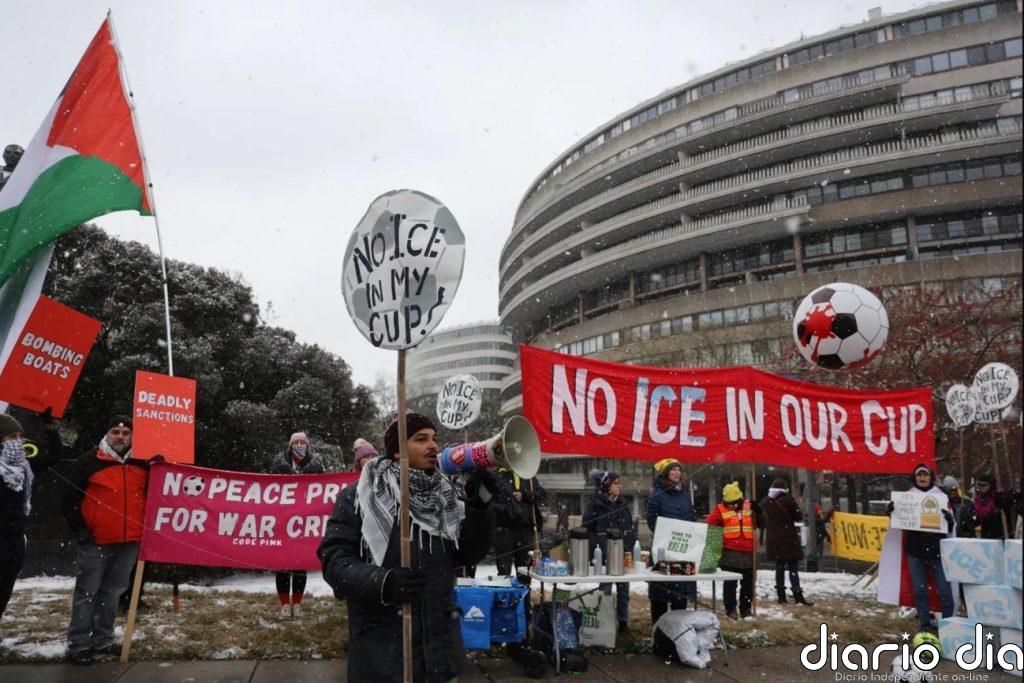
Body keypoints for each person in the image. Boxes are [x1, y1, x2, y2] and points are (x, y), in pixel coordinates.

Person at [318, 412, 496, 682]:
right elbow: (334, 563)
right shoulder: (360, 496)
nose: (433, 446)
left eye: (434, 439)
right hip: (384, 656)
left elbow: (469, 554)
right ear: (398, 451)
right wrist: (383, 583)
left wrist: (480, 508)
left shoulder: (447, 496)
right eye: (421, 439)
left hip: (440, 653)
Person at [62, 416, 150, 665]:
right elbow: (68, 499)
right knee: (87, 592)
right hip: (96, 541)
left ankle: (103, 638)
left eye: (125, 432)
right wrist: (80, 530)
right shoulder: (88, 462)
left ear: (132, 436)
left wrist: (161, 466)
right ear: (107, 434)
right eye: (115, 432)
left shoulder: (143, 463)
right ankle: (78, 643)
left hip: (130, 540)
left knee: (113, 591)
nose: (120, 437)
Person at [0, 411, 64, 621]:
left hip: (14, 539)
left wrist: (49, 428)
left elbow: (54, 455)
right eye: (11, 438)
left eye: (19, 437)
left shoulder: (23, 467)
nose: (17, 442)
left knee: (4, 591)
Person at [885, 464, 955, 633]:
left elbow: (952, 526)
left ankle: (948, 626)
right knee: (920, 590)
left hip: (937, 550)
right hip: (914, 551)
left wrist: (949, 519)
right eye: (919, 475)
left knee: (944, 590)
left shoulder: (941, 497)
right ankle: (924, 626)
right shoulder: (907, 497)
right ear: (915, 478)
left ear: (930, 477)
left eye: (925, 475)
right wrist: (891, 512)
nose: (922, 478)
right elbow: (898, 521)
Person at [271, 432, 325, 618]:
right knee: (282, 564)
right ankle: (285, 605)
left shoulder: (316, 465)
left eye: (303, 442)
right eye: (296, 442)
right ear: (290, 445)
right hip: (283, 520)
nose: (300, 445)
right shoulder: (279, 464)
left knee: (300, 564)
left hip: (305, 522)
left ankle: (298, 604)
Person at [583, 471, 636, 634]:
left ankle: (623, 622)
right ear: (606, 486)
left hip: (622, 554)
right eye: (616, 483)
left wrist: (630, 544)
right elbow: (587, 529)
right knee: (605, 589)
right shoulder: (595, 505)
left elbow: (628, 527)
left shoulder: (622, 503)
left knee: (623, 589)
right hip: (603, 555)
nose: (620, 486)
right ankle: (603, 622)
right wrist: (597, 547)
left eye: (620, 483)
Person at [646, 459, 696, 624]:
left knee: (679, 597)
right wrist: (669, 534)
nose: (677, 473)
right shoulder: (656, 496)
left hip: (682, 552)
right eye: (674, 470)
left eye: (679, 470)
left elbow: (691, 517)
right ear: (666, 473)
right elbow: (652, 522)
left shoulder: (685, 495)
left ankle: (678, 635)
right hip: (663, 552)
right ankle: (659, 635)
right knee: (660, 594)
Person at [706, 481, 757, 619]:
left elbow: (762, 524)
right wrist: (712, 553)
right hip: (729, 554)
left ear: (740, 499)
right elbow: (710, 526)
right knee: (730, 584)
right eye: (729, 503)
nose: (732, 506)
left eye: (735, 503)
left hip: (748, 553)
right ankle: (731, 610)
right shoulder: (720, 509)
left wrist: (760, 511)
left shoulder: (749, 507)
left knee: (748, 585)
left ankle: (746, 610)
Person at [759, 478, 812, 606]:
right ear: (784, 489)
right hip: (789, 538)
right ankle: (798, 596)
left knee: (779, 567)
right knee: (793, 567)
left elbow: (762, 519)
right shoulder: (789, 500)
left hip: (774, 539)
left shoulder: (765, 502)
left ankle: (781, 597)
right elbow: (798, 517)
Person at [493, 468, 546, 576]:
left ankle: (525, 593)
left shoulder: (527, 475)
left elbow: (541, 494)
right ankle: (506, 592)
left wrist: (525, 495)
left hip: (525, 531)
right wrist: (508, 509)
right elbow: (491, 504)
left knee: (525, 572)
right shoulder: (497, 476)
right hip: (504, 531)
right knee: (504, 572)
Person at [973, 474, 1017, 540]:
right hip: (987, 533)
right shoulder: (979, 498)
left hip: (1004, 532)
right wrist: (993, 503)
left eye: (984, 485)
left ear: (990, 485)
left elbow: (1012, 509)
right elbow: (981, 514)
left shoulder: (998, 494)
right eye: (979, 485)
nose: (981, 487)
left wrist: (1010, 498)